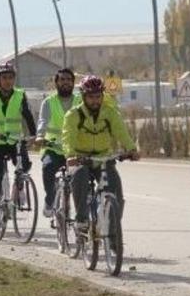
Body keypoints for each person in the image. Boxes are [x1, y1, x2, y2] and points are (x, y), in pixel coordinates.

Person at [62, 75, 139, 232]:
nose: (95, 101)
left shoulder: (109, 113)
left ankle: (112, 233)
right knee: (80, 176)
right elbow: (67, 137)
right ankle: (82, 219)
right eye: (91, 97)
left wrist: (131, 149)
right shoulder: (73, 115)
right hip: (80, 158)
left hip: (103, 158)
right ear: (84, 97)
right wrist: (71, 155)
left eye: (98, 96)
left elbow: (121, 132)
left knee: (116, 192)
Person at [0, 62, 37, 230]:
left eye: (11, 78)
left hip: (14, 140)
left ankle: (18, 189)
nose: (8, 81)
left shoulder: (20, 95)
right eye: (4, 78)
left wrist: (34, 135)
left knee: (24, 165)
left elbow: (28, 115)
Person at [34, 68, 80, 219]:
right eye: (62, 80)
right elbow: (43, 121)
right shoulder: (49, 102)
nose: (65, 82)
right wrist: (40, 136)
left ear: (73, 83)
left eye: (68, 80)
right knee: (48, 168)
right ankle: (49, 200)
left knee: (80, 176)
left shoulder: (80, 100)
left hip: (74, 148)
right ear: (56, 83)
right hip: (53, 148)